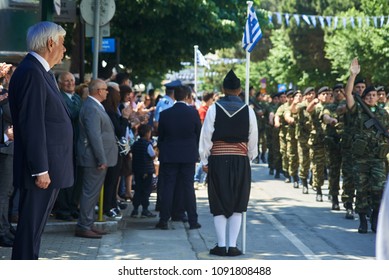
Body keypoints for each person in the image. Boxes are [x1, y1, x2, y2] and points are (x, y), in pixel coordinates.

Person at [8, 21, 74, 259]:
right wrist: (40, 169)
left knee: (33, 232)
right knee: (29, 231)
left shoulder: (38, 71)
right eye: (62, 43)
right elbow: (32, 124)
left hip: (47, 167)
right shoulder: (32, 72)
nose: (64, 49)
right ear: (50, 43)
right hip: (41, 171)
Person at [199, 70, 258, 256]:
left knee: (219, 201)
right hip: (240, 160)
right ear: (240, 90)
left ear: (223, 89)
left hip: (217, 159)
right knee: (238, 202)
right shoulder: (248, 110)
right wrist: (248, 158)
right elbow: (253, 138)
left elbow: (206, 136)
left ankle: (221, 244)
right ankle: (232, 246)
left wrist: (204, 159)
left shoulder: (214, 109)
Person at [344, 58, 389, 234]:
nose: (371, 97)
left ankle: (376, 218)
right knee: (361, 190)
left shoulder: (383, 114)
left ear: (378, 97)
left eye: (374, 95)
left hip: (378, 158)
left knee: (378, 189)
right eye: (368, 95)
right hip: (361, 158)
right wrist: (353, 75)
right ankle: (362, 219)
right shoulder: (358, 111)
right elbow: (348, 94)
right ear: (364, 98)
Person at [75, 79, 118, 239]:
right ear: (99, 91)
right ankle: (84, 226)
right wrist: (101, 158)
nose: (107, 92)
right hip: (93, 159)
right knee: (89, 193)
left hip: (96, 158)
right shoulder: (91, 107)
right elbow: (94, 136)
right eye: (106, 89)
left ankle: (88, 223)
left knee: (92, 193)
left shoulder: (93, 106)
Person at [155, 85, 201, 230]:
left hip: (169, 155)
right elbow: (198, 134)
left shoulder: (166, 114)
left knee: (168, 187)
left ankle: (164, 219)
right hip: (188, 155)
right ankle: (192, 220)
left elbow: (160, 136)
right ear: (188, 96)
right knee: (188, 187)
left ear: (174, 95)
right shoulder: (193, 113)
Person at [54, 71, 83, 221]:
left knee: (76, 178)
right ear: (59, 84)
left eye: (72, 80)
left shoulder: (78, 98)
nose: (70, 83)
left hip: (77, 144)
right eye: (66, 81)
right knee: (65, 177)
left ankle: (72, 207)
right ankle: (63, 209)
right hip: (64, 144)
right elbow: (73, 113)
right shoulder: (58, 97)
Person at [102, 82, 132, 219]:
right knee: (110, 181)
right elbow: (119, 130)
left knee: (114, 180)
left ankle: (112, 204)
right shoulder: (108, 110)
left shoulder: (113, 109)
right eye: (118, 92)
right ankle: (108, 206)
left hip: (116, 150)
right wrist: (125, 118)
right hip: (110, 150)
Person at [0, 63, 14, 248]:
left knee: (7, 193)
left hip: (10, 148)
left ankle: (5, 227)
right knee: (3, 193)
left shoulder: (5, 94)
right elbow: (12, 114)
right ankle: (2, 231)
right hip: (5, 147)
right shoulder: (4, 96)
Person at [131, 124, 157, 218]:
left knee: (138, 189)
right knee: (146, 191)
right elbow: (152, 155)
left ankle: (135, 209)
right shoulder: (148, 145)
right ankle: (145, 210)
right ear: (147, 133)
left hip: (137, 170)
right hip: (147, 170)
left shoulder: (135, 144)